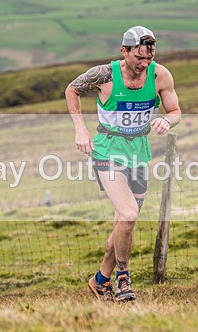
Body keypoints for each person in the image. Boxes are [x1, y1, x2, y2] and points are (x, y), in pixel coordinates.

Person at [65, 25, 181, 302]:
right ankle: (123, 279)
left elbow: (176, 111)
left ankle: (99, 280)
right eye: (139, 58)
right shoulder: (104, 75)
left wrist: (166, 120)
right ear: (124, 51)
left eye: (149, 59)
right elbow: (72, 90)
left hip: (140, 152)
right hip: (107, 150)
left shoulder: (160, 75)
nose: (144, 64)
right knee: (128, 214)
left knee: (124, 222)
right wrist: (80, 129)